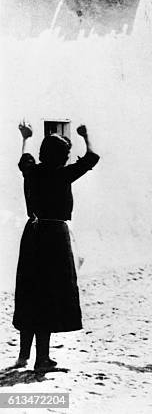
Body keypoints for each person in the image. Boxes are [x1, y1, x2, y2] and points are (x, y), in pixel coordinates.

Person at [12, 121, 100, 371]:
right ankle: (42, 359)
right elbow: (92, 157)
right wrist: (86, 134)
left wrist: (26, 137)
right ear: (62, 157)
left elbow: (24, 158)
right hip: (55, 237)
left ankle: (23, 356)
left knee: (29, 292)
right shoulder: (63, 174)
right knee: (48, 295)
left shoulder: (31, 171)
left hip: (32, 234)